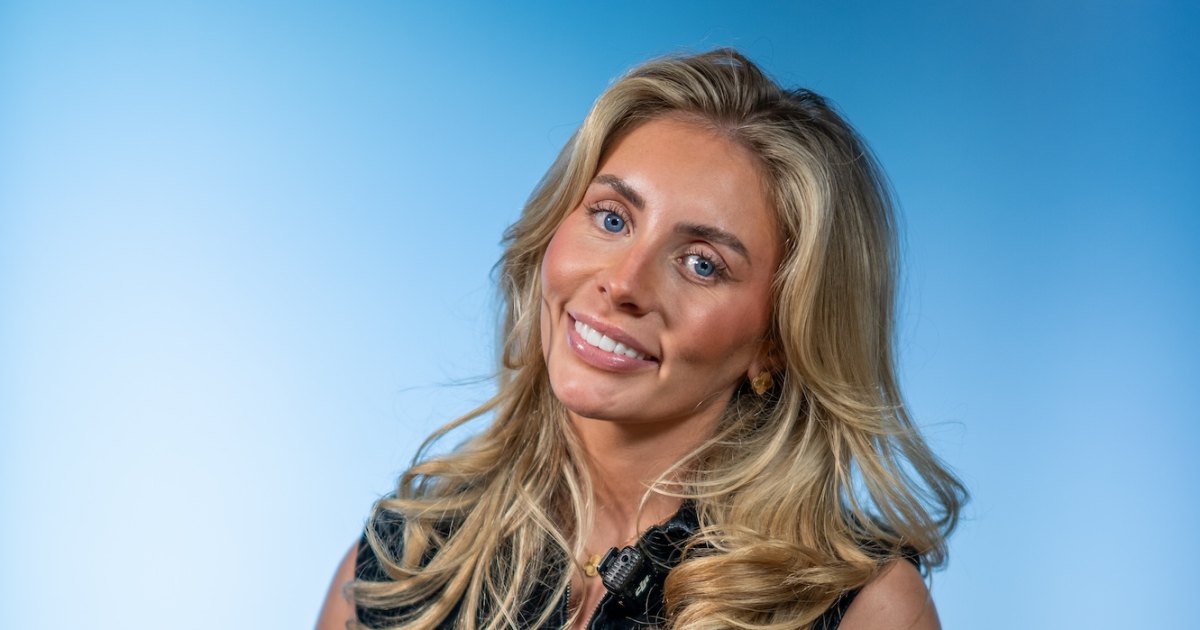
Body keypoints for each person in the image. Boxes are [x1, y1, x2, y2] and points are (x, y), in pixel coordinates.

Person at [317, 48, 966, 630]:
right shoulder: (402, 566)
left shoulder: (868, 609)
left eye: (702, 263)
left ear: (777, 339)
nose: (624, 282)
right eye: (611, 218)